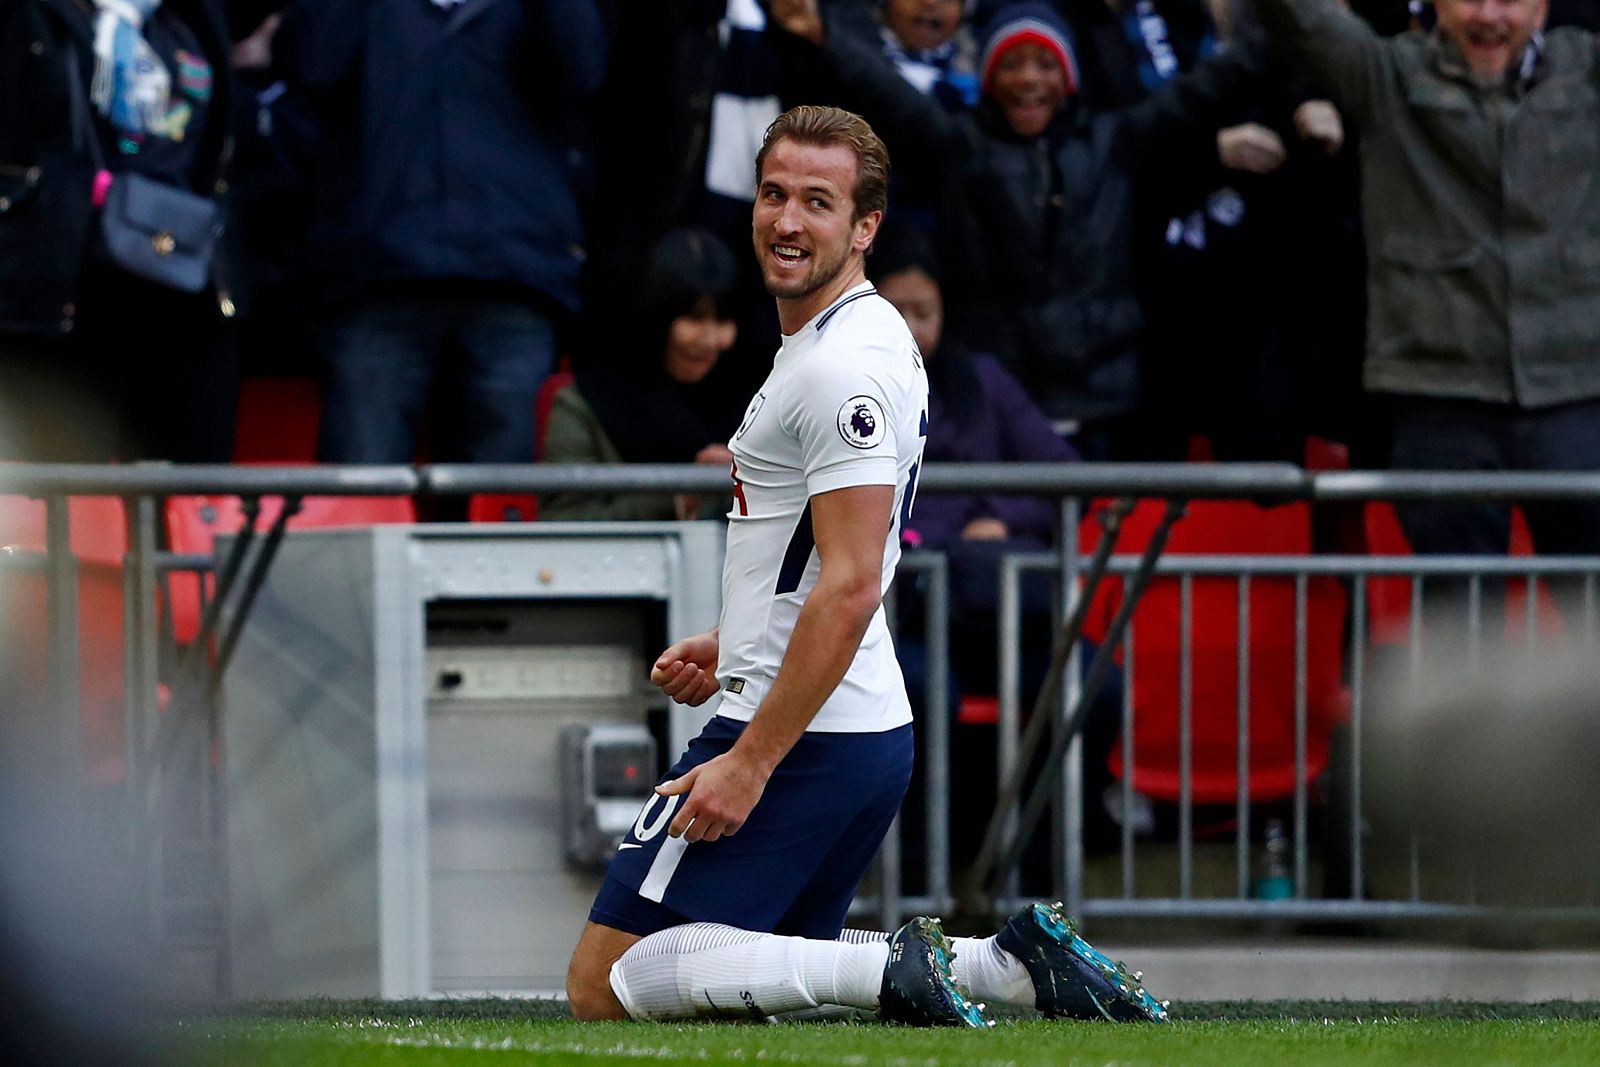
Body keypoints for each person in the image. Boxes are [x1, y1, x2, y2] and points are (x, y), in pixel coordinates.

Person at [565, 105, 1166, 1027]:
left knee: (608, 983)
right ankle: (1005, 963)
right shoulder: (856, 335)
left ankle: (899, 975)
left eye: (818, 200)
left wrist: (751, 761)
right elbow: (837, 555)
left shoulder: (839, 364)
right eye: (773, 194)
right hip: (845, 720)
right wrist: (738, 634)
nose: (787, 221)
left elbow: (849, 582)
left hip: (802, 730)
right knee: (766, 972)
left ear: (865, 226)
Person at [771, 0, 1276, 457]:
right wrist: (825, 37)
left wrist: (1291, 31)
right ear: (989, 79)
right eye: (1011, 64)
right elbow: (888, 93)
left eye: (1045, 64)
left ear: (1069, 78)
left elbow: (1201, 92)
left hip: (1104, 402)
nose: (1029, 79)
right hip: (998, 398)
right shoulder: (961, 149)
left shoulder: (1114, 144)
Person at [1250, 0, 1600, 570]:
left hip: (1576, 394)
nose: (1489, 16)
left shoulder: (1587, 72)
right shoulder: (1386, 75)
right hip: (1440, 400)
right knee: (1457, 634)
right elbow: (1298, 14)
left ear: (1542, 8)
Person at [272, 0, 604, 465]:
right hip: (378, 274)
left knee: (505, 501)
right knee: (368, 495)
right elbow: (309, 64)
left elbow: (582, 69)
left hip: (514, 273)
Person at [0, 0, 240, 461]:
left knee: (182, 487)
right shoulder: (33, 15)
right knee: (62, 486)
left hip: (182, 280)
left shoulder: (191, 19)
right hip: (64, 281)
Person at [540, 229, 743, 522]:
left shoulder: (759, 408)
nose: (711, 339)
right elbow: (561, 523)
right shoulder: (583, 406)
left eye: (724, 320)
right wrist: (679, 495)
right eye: (694, 318)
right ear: (653, 317)